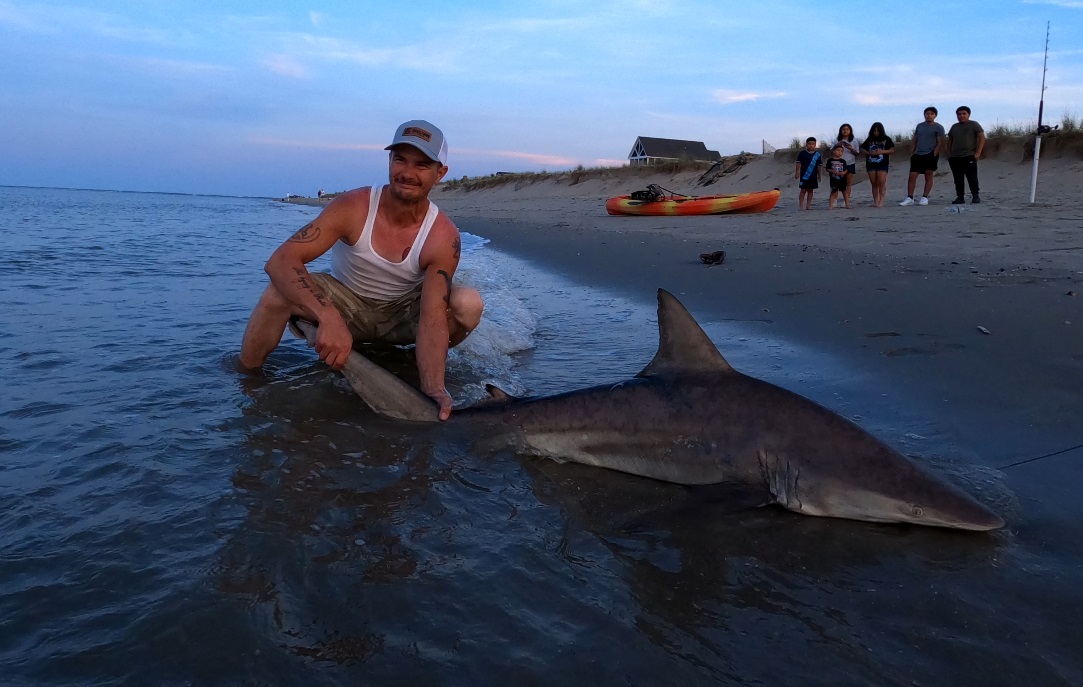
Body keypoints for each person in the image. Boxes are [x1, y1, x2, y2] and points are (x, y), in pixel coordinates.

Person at [239, 120, 485, 420]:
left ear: (440, 173)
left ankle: (416, 365)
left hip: (402, 314)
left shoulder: (443, 236)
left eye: (422, 164)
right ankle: (246, 381)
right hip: (348, 305)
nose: (407, 173)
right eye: (400, 160)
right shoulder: (354, 206)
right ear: (389, 160)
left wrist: (433, 389)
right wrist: (328, 317)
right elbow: (281, 260)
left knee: (467, 304)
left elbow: (432, 317)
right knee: (279, 290)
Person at [899, 107, 945, 206]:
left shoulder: (938, 127)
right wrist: (912, 152)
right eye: (927, 113)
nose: (929, 115)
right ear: (924, 115)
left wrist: (935, 153)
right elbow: (915, 138)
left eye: (931, 114)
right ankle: (910, 197)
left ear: (935, 115)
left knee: (928, 175)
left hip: (930, 153)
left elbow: (940, 141)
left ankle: (924, 197)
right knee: (912, 176)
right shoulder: (920, 126)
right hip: (918, 154)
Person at [944, 106, 985, 204]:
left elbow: (982, 138)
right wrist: (949, 154)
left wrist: (978, 153)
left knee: (972, 177)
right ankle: (960, 197)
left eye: (964, 113)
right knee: (958, 178)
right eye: (959, 114)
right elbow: (950, 141)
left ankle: (975, 195)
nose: (961, 116)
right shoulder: (954, 127)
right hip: (955, 157)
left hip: (969, 155)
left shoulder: (974, 124)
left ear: (968, 114)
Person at [860, 122, 895, 208]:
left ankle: (881, 200)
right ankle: (875, 201)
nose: (876, 132)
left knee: (881, 181)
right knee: (874, 183)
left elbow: (892, 150)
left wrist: (882, 151)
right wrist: (868, 153)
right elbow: (862, 149)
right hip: (871, 163)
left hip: (882, 163)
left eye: (878, 131)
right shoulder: (869, 140)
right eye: (874, 131)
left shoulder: (886, 139)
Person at [831, 123, 861, 209]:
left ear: (850, 131)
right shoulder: (836, 140)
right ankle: (835, 200)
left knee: (848, 184)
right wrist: (837, 145)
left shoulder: (854, 140)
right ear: (841, 131)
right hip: (838, 163)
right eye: (843, 129)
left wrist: (850, 148)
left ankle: (846, 200)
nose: (845, 131)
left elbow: (857, 153)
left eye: (847, 129)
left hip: (850, 163)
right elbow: (831, 151)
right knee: (836, 183)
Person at [794, 137, 821, 210]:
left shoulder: (817, 155)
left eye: (813, 144)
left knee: (810, 190)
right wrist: (797, 173)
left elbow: (819, 166)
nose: (811, 145)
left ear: (815, 145)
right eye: (809, 144)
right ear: (806, 144)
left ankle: (808, 205)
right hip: (804, 175)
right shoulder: (802, 153)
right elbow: (798, 164)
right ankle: (801, 206)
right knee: (803, 190)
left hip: (813, 176)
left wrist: (819, 175)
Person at [825, 144, 849, 209]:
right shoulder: (830, 160)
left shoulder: (843, 161)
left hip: (842, 179)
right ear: (833, 151)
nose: (839, 152)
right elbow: (827, 169)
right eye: (838, 150)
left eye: (841, 151)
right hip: (834, 179)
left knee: (844, 191)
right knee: (833, 192)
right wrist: (834, 171)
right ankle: (830, 205)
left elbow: (846, 169)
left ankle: (847, 204)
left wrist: (843, 172)